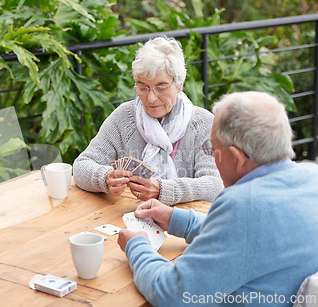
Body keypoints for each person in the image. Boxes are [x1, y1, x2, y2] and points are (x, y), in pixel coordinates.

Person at [117, 91, 318, 306]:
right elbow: (249, 237)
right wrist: (175, 218)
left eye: (213, 148)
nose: (211, 155)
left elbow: (172, 294)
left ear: (237, 157)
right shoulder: (311, 176)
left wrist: (137, 245)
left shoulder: (242, 205)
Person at [73, 36, 223, 206]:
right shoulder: (124, 117)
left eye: (161, 88)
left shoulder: (204, 124)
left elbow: (215, 185)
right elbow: (81, 166)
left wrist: (164, 190)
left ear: (179, 84)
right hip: (131, 218)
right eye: (142, 87)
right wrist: (104, 177)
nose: (151, 98)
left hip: (186, 224)